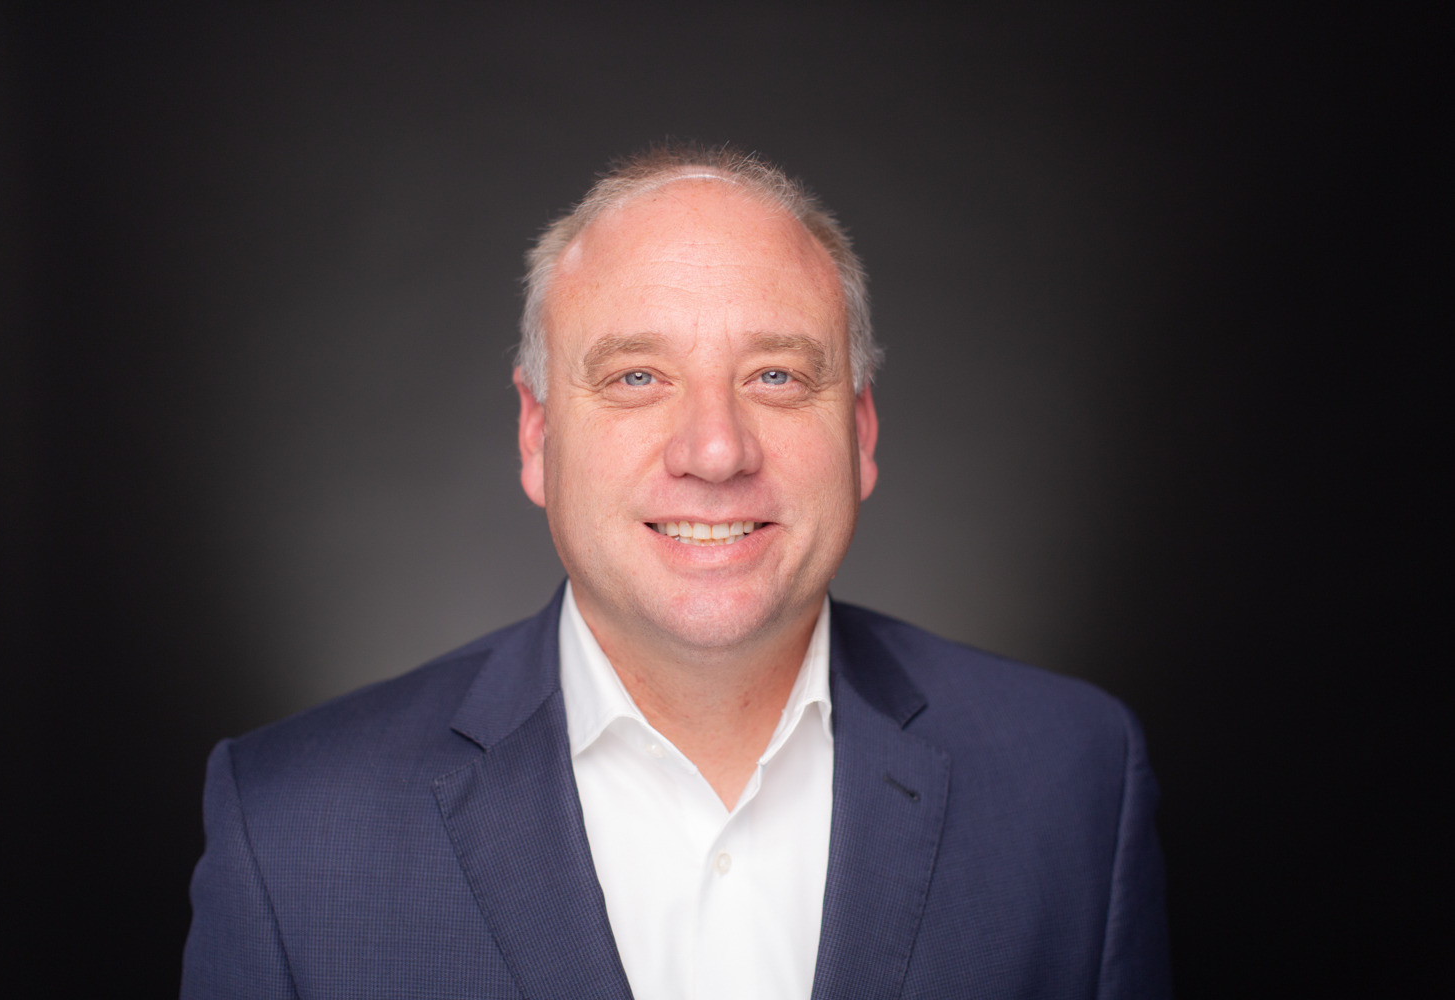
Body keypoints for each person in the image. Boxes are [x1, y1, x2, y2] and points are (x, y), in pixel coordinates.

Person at [181, 144, 1170, 999]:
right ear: (536, 436)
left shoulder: (1072, 780)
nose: (715, 449)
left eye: (776, 375)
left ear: (862, 431)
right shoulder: (291, 831)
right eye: (637, 377)